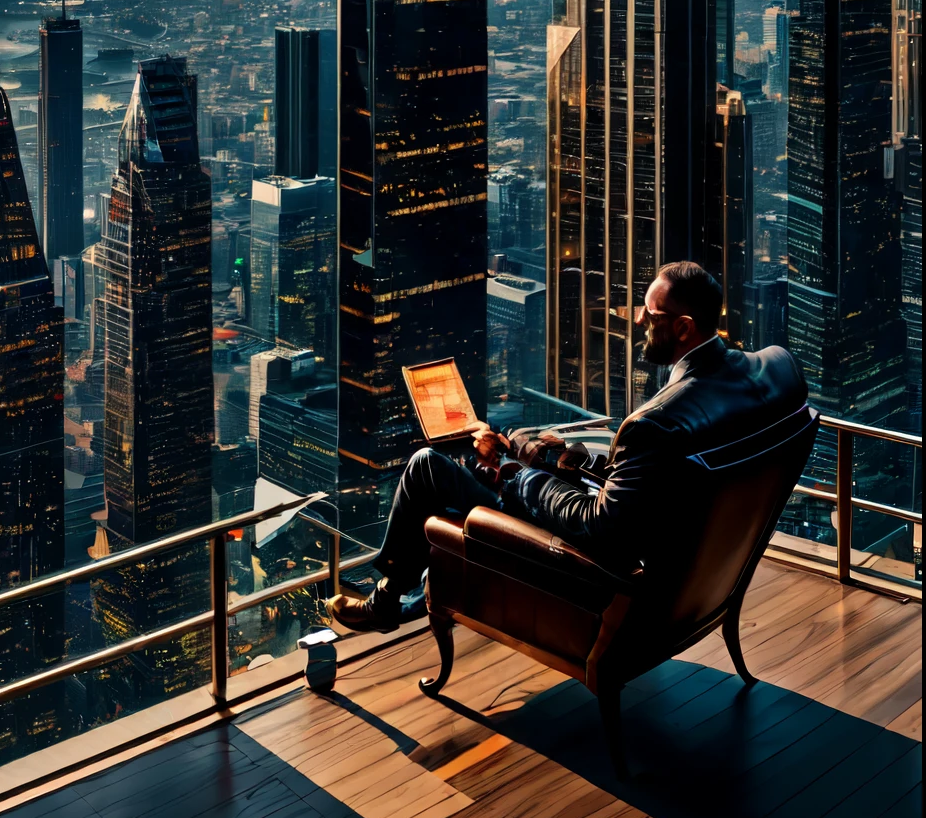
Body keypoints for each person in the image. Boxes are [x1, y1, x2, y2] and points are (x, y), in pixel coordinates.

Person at [327, 259, 809, 633]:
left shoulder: (655, 422)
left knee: (427, 467)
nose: (638, 319)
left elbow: (601, 527)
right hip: (697, 580)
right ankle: (413, 584)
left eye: (651, 314)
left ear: (684, 328)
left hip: (602, 576)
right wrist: (577, 460)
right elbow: (658, 475)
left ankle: (385, 602)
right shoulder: (773, 371)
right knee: (491, 455)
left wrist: (516, 477)